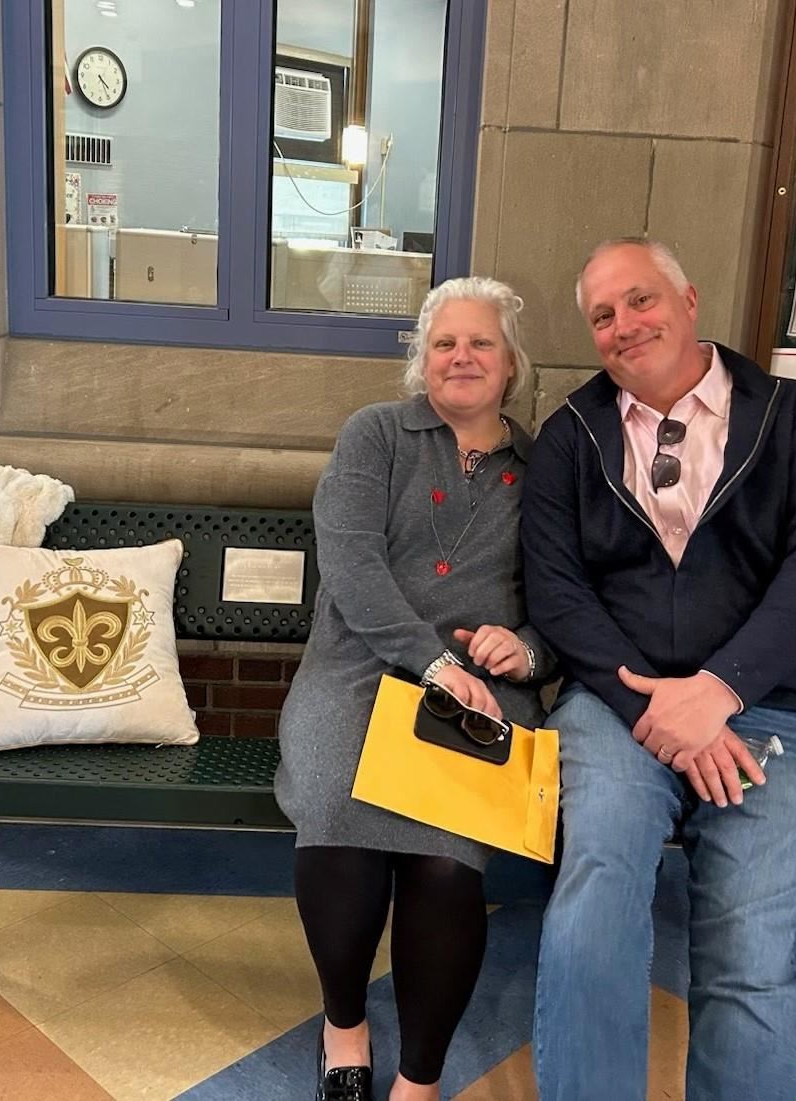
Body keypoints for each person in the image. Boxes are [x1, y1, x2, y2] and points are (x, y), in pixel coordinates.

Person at [521, 238, 796, 1100]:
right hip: (615, 704)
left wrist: (719, 692)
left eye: (641, 300)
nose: (625, 326)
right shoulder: (569, 436)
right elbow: (557, 594)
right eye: (603, 315)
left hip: (774, 705)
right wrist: (654, 707)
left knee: (750, 944)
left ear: (689, 299)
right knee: (596, 903)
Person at [276, 275, 556, 1101]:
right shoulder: (376, 436)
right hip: (359, 666)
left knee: (443, 866)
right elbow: (352, 566)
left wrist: (529, 651)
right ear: (421, 362)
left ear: (510, 365)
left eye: (480, 343)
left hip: (477, 692)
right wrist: (428, 660)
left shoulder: (545, 468)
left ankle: (420, 1078)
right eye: (444, 342)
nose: (461, 356)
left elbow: (566, 601)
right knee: (340, 824)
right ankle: (344, 1023)